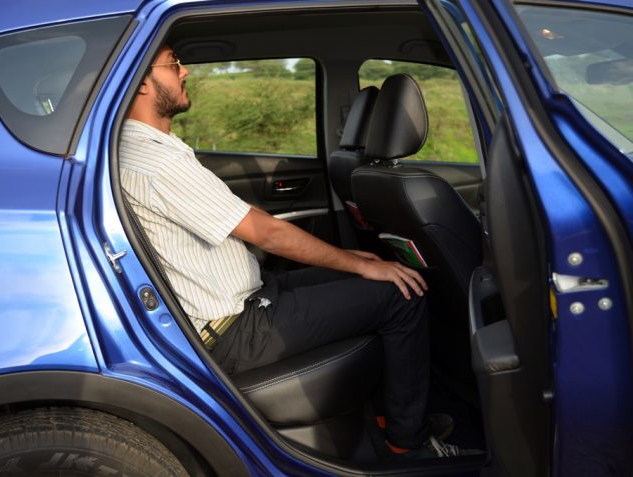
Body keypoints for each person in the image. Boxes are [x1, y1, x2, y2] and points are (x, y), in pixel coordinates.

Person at [119, 44, 474, 459]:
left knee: (367, 272)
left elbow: (239, 214)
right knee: (401, 295)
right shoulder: (153, 162)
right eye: (174, 64)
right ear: (143, 82)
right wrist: (354, 260)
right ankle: (408, 442)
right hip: (235, 329)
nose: (185, 73)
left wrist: (356, 264)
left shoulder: (155, 150)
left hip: (252, 296)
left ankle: (386, 416)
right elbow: (264, 232)